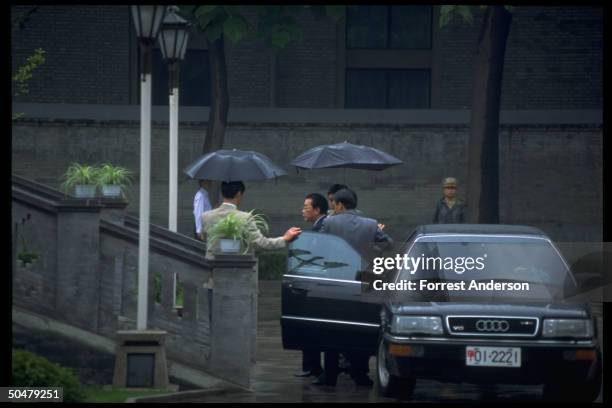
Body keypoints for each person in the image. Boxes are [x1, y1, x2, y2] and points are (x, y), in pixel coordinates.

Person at [313, 188, 393, 387]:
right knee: (360, 327)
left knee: (331, 327)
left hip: (336, 281)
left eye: (334, 204)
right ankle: (360, 373)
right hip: (364, 281)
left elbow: (318, 245)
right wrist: (372, 250)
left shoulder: (329, 222)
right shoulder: (371, 224)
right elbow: (389, 244)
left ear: (340, 205)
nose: (332, 207)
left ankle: (330, 374)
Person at [201, 181, 301, 258]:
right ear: (239, 193)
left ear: (222, 193)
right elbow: (260, 243)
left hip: (211, 272)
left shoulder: (206, 216)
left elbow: (205, 239)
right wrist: (284, 238)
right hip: (237, 271)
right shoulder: (245, 218)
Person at [293, 193, 329, 378]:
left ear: (317, 210)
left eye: (306, 207)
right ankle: (311, 367)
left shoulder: (323, 228)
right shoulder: (317, 227)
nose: (302, 210)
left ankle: (315, 368)